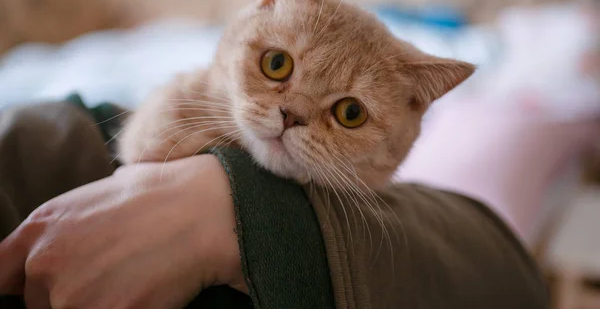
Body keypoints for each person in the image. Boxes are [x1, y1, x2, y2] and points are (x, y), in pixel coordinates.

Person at [0, 96, 549, 308]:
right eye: (279, 66)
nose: (289, 116)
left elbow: (515, 282)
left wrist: (227, 202)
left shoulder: (50, 141)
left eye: (351, 113)